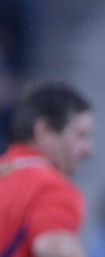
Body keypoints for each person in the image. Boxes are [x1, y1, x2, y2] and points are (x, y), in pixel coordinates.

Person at [0, 82, 94, 257]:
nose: (89, 149)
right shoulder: (51, 188)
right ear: (44, 129)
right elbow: (53, 246)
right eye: (80, 135)